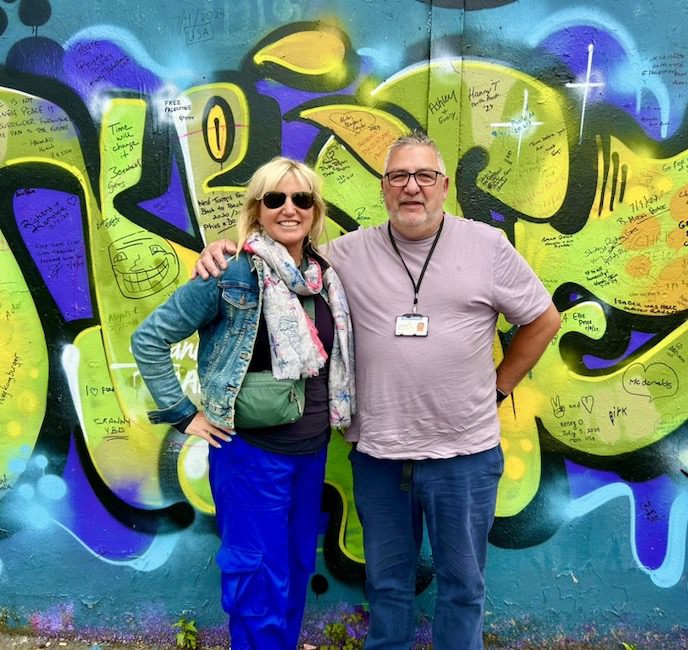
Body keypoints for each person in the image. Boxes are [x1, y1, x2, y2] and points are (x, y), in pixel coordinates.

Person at [193, 133, 560, 650]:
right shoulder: (344, 256)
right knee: (387, 585)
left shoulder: (488, 247)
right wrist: (223, 251)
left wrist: (500, 390)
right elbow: (279, 258)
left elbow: (543, 320)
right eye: (398, 177)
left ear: (445, 186)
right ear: (384, 188)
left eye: (424, 176)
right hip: (381, 456)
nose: (412, 187)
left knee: (463, 586)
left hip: (465, 455)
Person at [131, 157, 355, 650]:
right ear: (257, 209)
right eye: (275, 198)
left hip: (311, 449)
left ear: (316, 210)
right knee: (256, 576)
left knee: (295, 567)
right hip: (249, 453)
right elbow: (149, 339)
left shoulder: (325, 278)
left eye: (302, 199)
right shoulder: (228, 274)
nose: (289, 208)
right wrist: (183, 415)